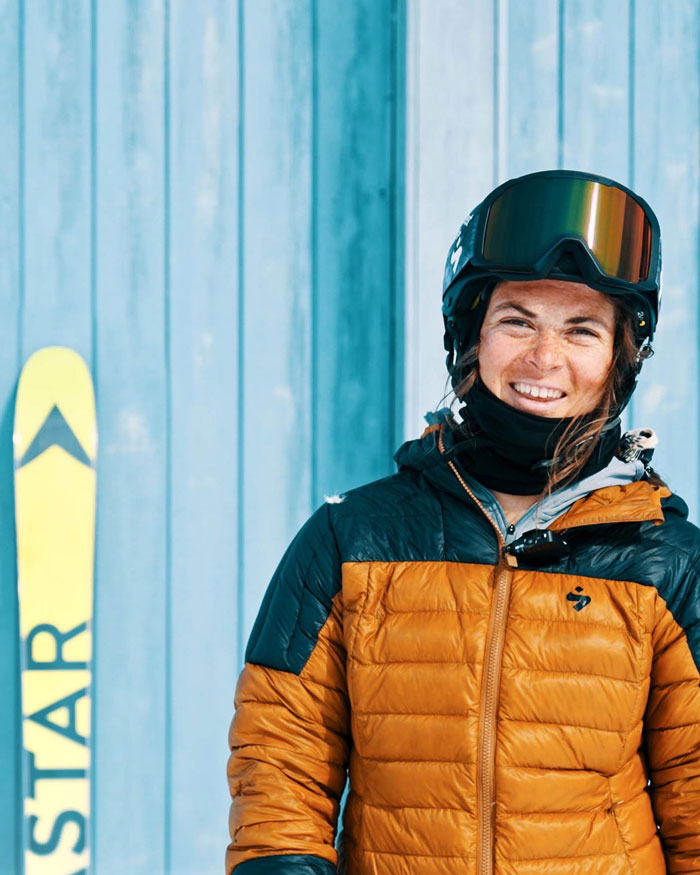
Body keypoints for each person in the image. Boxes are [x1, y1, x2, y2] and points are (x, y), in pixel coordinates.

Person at [226, 170, 700, 874]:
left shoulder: (667, 562)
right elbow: (279, 761)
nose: (545, 358)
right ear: (470, 333)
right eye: (517, 320)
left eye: (581, 329)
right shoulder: (351, 537)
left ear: (620, 359)